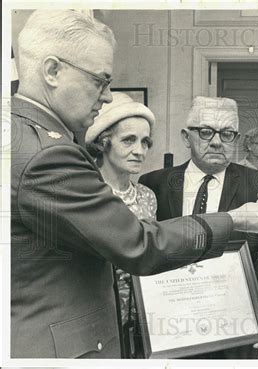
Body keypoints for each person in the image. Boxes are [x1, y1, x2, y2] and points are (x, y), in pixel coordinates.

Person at [11, 10, 258, 358]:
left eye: (227, 134)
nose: (107, 96)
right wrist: (235, 219)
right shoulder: (48, 154)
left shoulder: (17, 134)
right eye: (100, 81)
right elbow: (140, 244)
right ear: (52, 71)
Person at [139, 96, 258, 359]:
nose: (217, 141)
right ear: (187, 137)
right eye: (206, 132)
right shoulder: (154, 184)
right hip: (172, 323)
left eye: (228, 134)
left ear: (236, 138)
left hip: (236, 323)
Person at [85, 91, 157, 358]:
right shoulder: (87, 194)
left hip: (141, 320)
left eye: (145, 142)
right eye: (129, 140)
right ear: (104, 142)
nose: (140, 151)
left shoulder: (147, 197)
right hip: (97, 318)